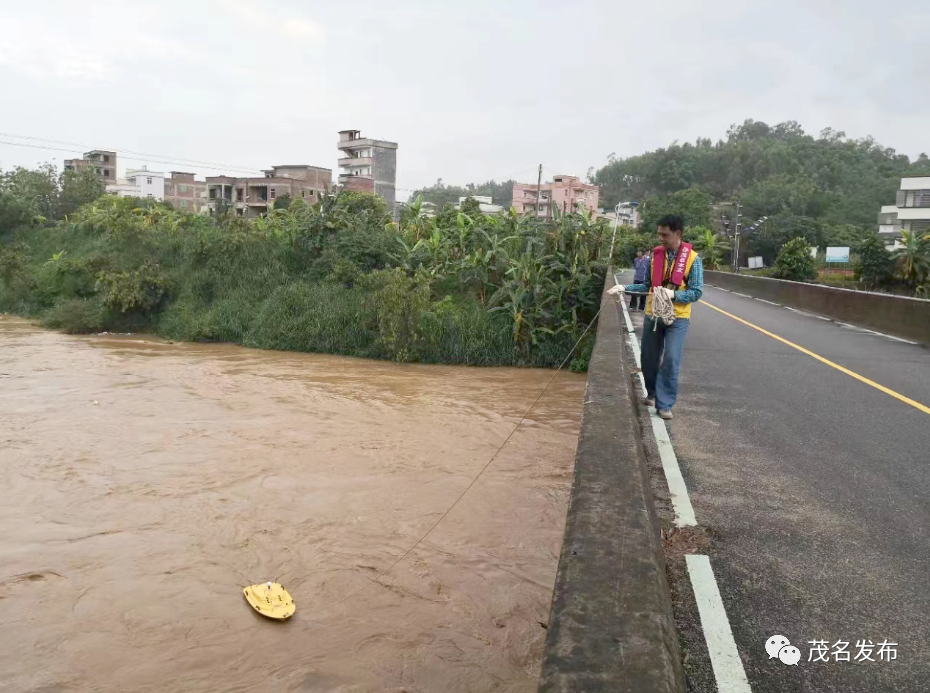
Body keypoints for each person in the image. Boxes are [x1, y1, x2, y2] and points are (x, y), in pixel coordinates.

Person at [608, 215, 703, 420]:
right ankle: (651, 393)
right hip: (653, 315)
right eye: (659, 233)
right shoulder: (655, 257)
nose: (660, 238)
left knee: (671, 357)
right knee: (648, 359)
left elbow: (696, 292)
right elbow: (646, 286)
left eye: (665, 234)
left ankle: (664, 404)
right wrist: (624, 288)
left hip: (678, 317)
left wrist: (674, 295)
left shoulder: (693, 260)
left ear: (678, 234)